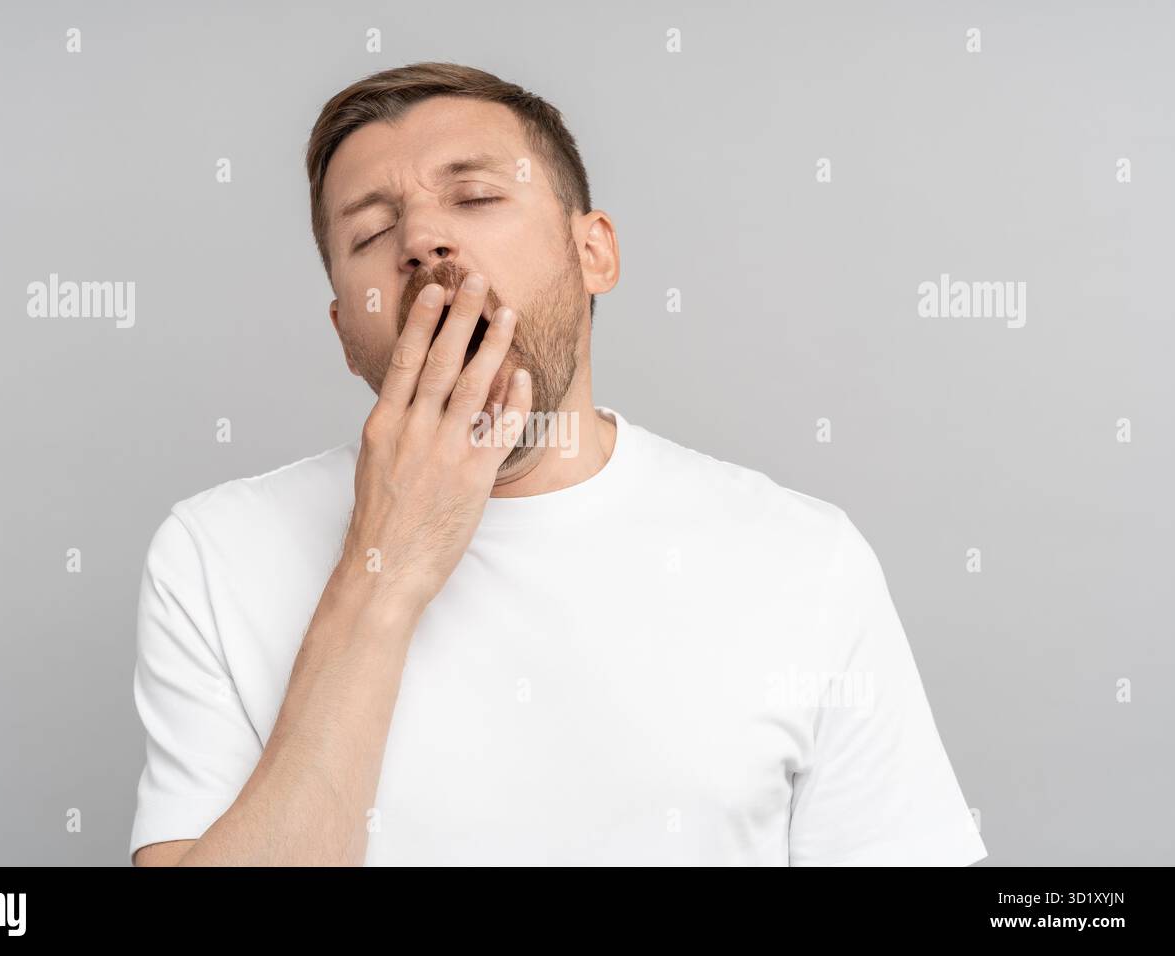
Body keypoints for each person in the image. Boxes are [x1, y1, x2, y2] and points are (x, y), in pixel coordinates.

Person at [129, 62, 987, 866]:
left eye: (473, 196)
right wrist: (382, 572)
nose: (423, 239)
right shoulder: (213, 555)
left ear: (594, 253)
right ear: (345, 328)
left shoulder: (806, 557)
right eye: (373, 230)